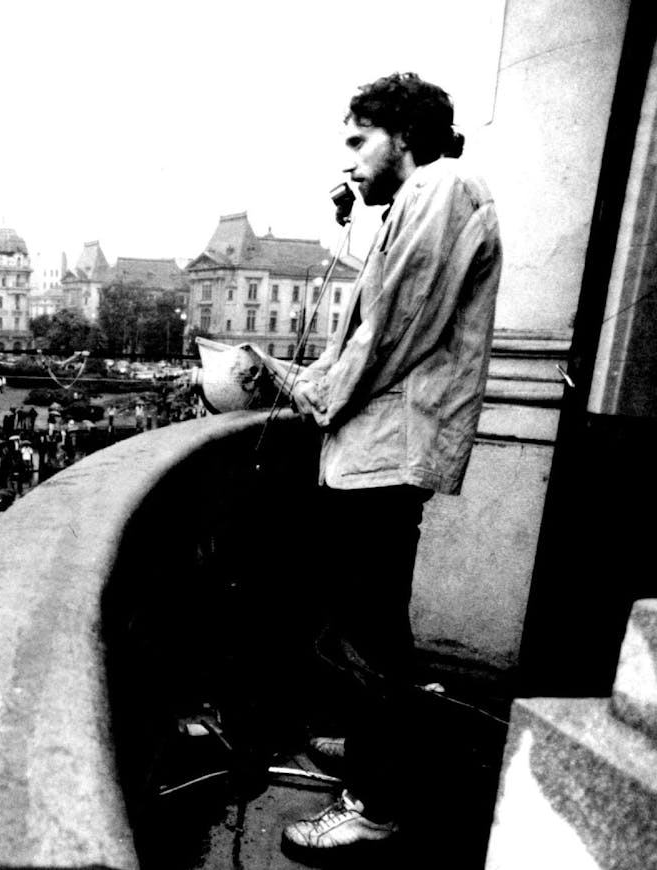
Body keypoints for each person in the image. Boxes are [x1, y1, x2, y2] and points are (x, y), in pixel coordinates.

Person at [283, 72, 502, 851]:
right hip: (382, 448)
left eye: (358, 140)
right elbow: (389, 305)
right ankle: (381, 747)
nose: (349, 160)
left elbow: (392, 329)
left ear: (402, 134)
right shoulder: (431, 195)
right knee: (371, 622)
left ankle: (375, 801)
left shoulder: (440, 189)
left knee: (366, 630)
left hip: (384, 450)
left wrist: (315, 394)